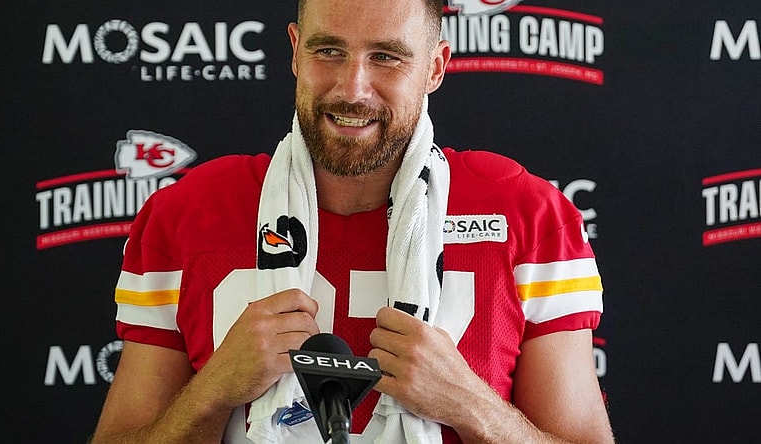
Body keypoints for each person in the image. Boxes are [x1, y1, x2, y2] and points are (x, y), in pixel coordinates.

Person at [91, 0, 614, 443]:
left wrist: (467, 402)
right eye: (329, 51)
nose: (353, 88)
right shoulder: (185, 214)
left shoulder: (528, 214)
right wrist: (213, 390)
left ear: (436, 67)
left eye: (385, 57)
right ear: (295, 51)